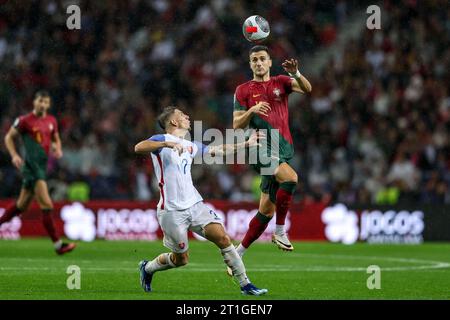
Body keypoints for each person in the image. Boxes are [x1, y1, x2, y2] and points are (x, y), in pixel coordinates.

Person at [134, 106, 268, 296]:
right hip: (171, 211)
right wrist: (168, 145)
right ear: (173, 122)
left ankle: (245, 284)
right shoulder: (161, 139)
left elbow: (218, 150)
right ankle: (147, 268)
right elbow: (138, 147)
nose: (187, 116)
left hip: (195, 205)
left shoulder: (190, 145)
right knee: (181, 259)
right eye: (182, 115)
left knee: (222, 238)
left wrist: (246, 143)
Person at [232, 45, 312, 256]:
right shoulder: (243, 90)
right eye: (254, 60)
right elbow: (236, 125)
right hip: (259, 146)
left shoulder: (281, 82)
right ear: (250, 64)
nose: (258, 63)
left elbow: (307, 89)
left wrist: (295, 73)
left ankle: (237, 253)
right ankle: (280, 231)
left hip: (281, 147)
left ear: (269, 62)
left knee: (266, 211)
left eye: (262, 59)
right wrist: (252, 110)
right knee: (291, 178)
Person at [0, 90, 76, 255]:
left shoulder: (51, 121)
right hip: (32, 168)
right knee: (47, 204)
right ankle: (58, 246)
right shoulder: (24, 121)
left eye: (46, 102)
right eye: (40, 101)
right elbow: (8, 138)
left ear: (49, 104)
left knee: (20, 206)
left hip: (42, 167)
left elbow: (56, 137)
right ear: (34, 102)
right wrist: (14, 155)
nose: (43, 104)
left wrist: (58, 147)